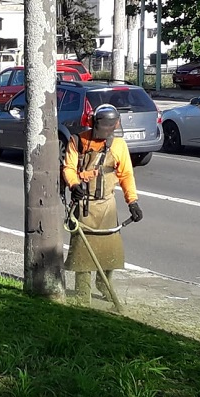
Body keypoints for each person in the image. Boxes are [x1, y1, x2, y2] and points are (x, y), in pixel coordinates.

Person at [62, 103, 143, 305]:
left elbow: (126, 175)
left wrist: (132, 202)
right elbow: (68, 168)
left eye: (110, 128)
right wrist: (73, 184)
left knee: (109, 250)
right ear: (94, 124)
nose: (106, 132)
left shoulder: (119, 146)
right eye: (102, 128)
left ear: (115, 126)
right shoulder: (78, 142)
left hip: (107, 205)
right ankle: (82, 294)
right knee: (83, 252)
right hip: (84, 206)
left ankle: (104, 284)